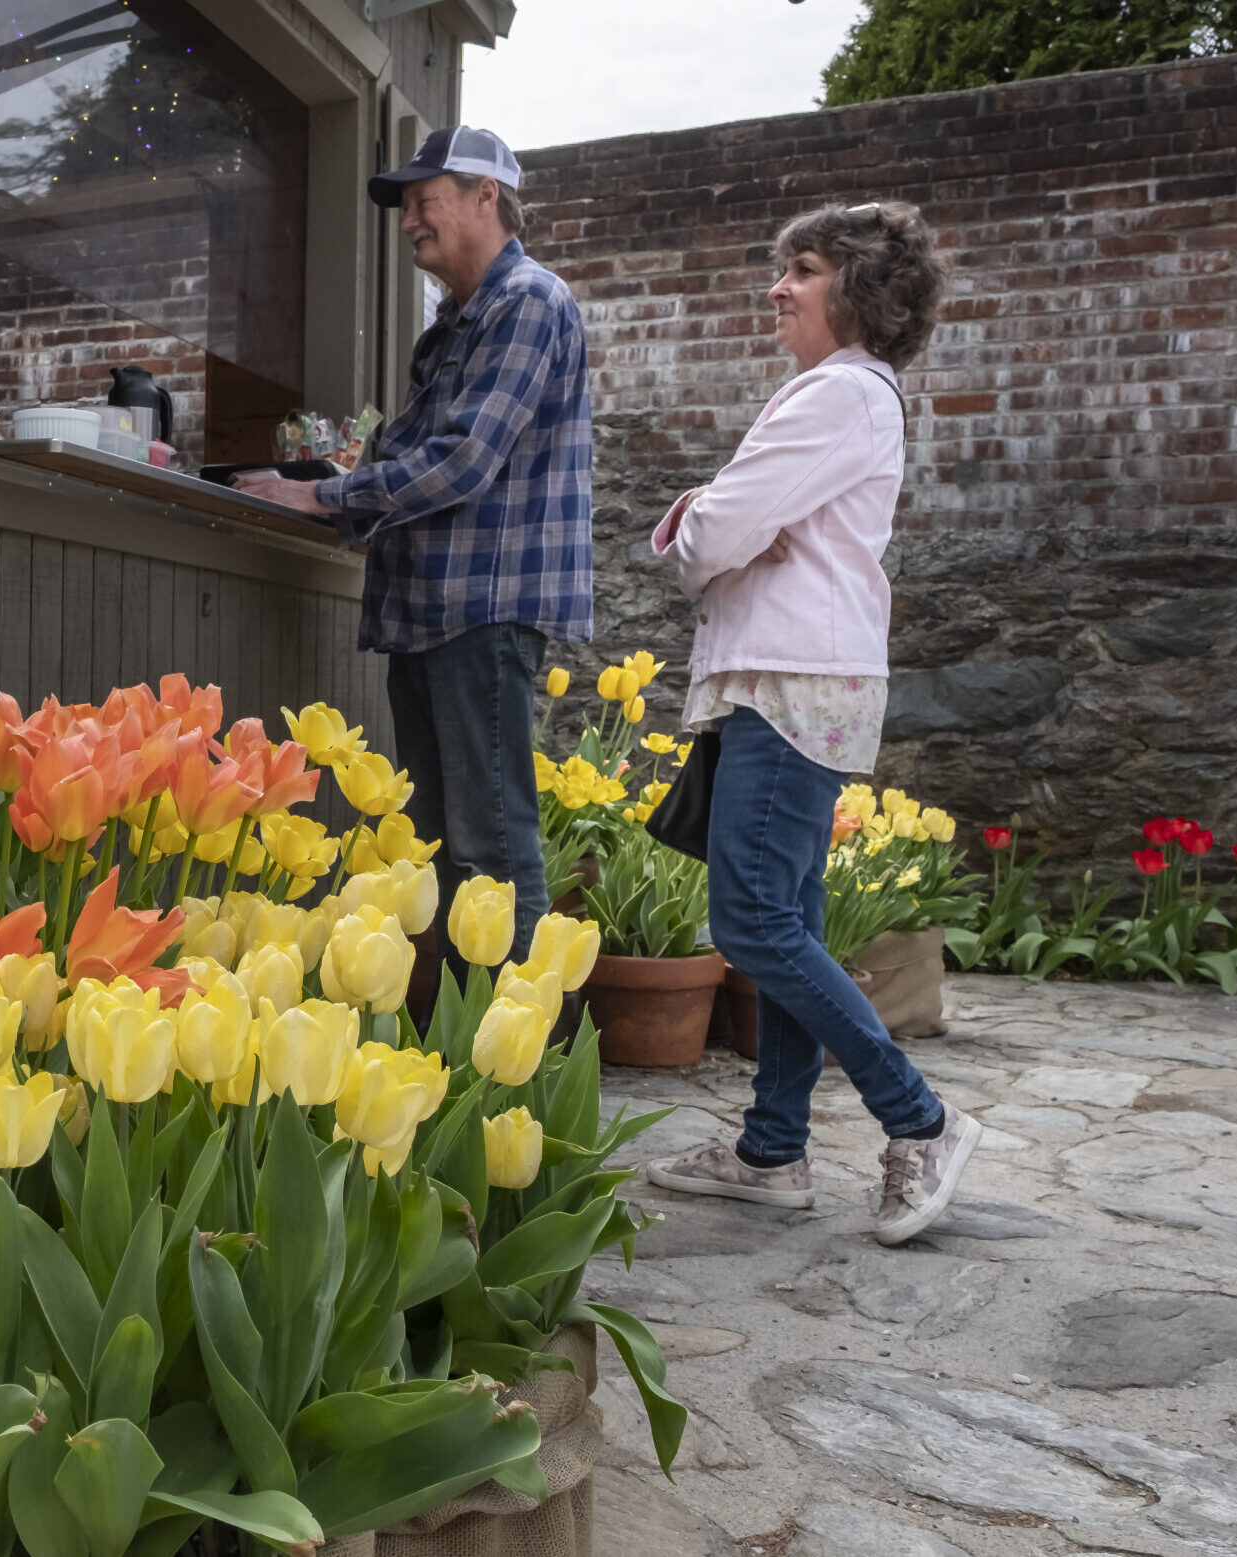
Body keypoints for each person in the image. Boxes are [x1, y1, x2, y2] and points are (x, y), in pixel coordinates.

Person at [641, 201, 977, 1246]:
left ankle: (920, 1119)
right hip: (793, 678)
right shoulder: (845, 399)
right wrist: (720, 517)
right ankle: (770, 1150)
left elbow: (711, 539)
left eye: (803, 269)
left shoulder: (831, 396)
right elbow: (730, 524)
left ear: (858, 287)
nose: (776, 288)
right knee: (784, 915)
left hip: (789, 682)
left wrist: (710, 519)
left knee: (753, 924)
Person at [235, 126, 592, 969]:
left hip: (484, 611)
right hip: (429, 614)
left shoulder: (528, 302)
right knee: (439, 848)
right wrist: (333, 487)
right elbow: (409, 461)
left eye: (423, 201)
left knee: (492, 851)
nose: (407, 222)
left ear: (485, 198)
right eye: (405, 207)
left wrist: (319, 493)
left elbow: (464, 460)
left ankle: (526, 1067)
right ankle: (461, 1058)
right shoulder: (456, 325)